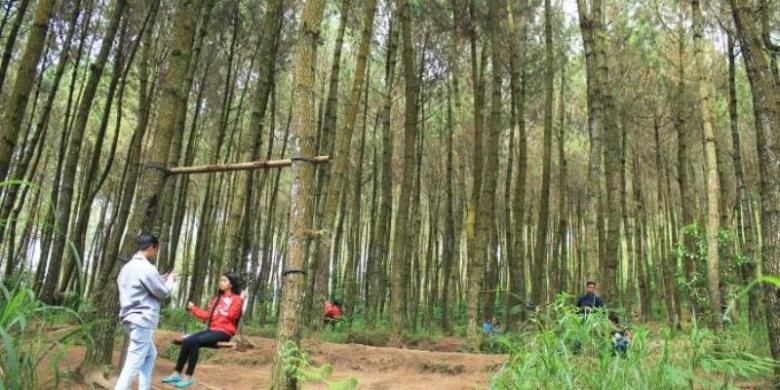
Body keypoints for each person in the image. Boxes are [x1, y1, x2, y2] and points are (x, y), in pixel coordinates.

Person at [162, 272, 244, 389]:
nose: (221, 282)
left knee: (195, 341)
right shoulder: (217, 299)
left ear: (231, 284)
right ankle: (176, 373)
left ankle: (188, 377)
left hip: (224, 332)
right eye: (221, 280)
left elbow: (233, 316)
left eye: (224, 280)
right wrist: (193, 308)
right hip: (212, 330)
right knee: (188, 340)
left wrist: (222, 307)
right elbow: (207, 316)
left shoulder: (237, 299)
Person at [115, 233, 174, 390]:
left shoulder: (127, 268)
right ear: (150, 247)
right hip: (142, 320)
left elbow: (140, 287)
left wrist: (159, 279)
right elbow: (163, 293)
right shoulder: (147, 268)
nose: (155, 253)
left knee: (150, 355)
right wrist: (170, 282)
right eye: (155, 249)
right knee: (133, 363)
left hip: (129, 319)